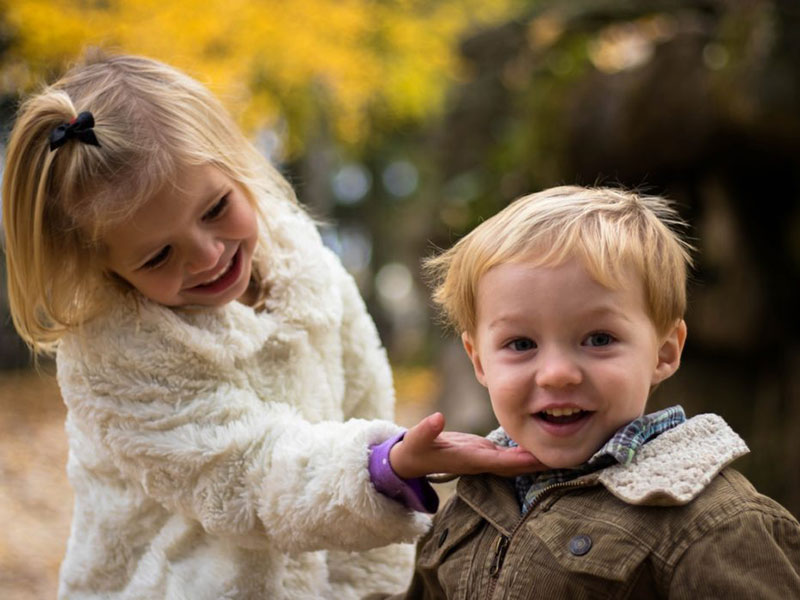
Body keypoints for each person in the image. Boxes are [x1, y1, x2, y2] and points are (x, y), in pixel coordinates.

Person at [1, 52, 540, 600]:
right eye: (159, 255)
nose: (208, 255)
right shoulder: (114, 353)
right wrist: (382, 467)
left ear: (237, 165)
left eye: (215, 208)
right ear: (105, 267)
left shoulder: (301, 263)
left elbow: (362, 392)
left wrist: (370, 578)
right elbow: (243, 478)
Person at [378, 186, 800, 598]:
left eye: (598, 339)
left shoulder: (711, 522)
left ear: (664, 352)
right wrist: (381, 471)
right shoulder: (473, 500)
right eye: (521, 344)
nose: (557, 375)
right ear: (479, 361)